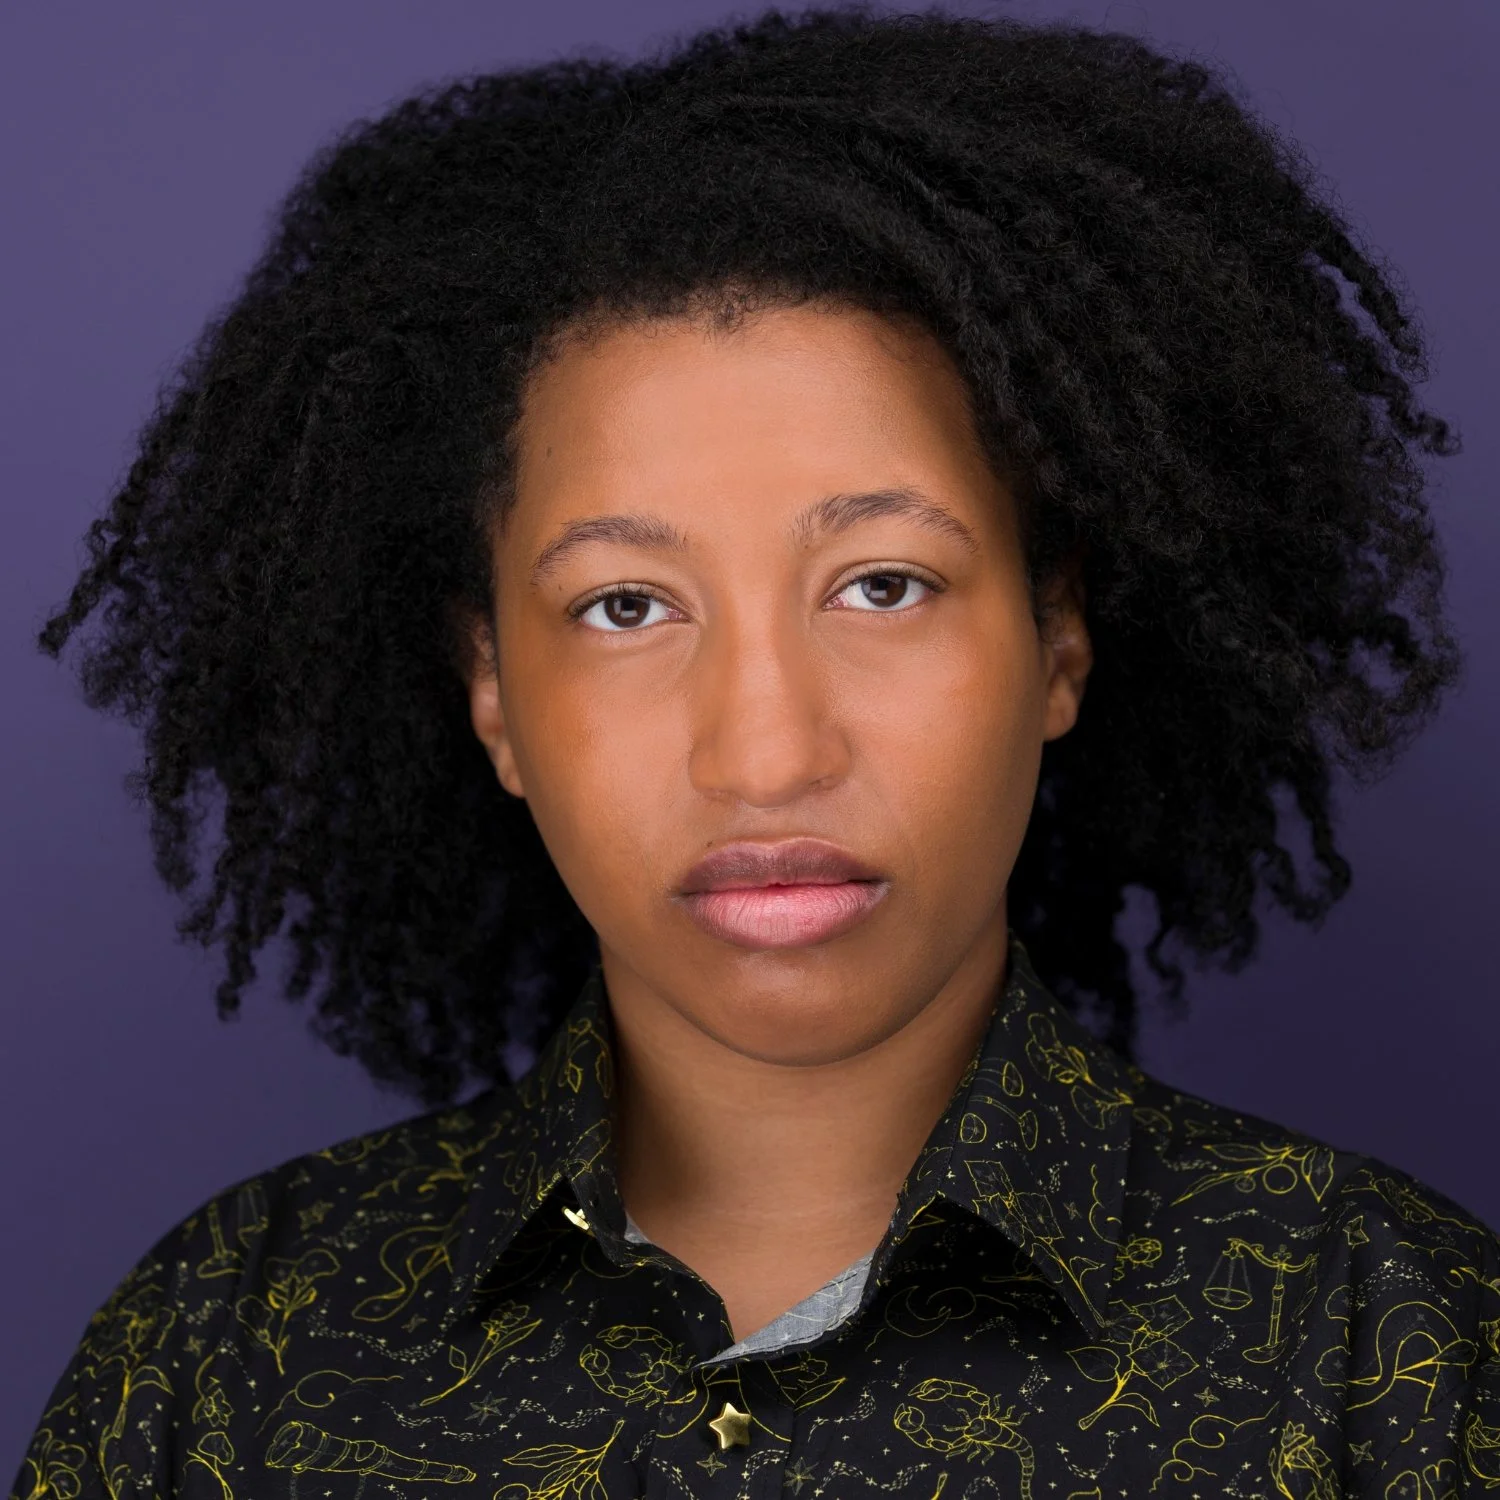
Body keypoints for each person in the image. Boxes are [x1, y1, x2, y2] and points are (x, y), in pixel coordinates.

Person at [12, 7, 1498, 1497]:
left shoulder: (1388, 1346)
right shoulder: (221, 1356)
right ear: (490, 691)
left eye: (883, 584)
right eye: (626, 605)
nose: (766, 751)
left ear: (1059, 639)